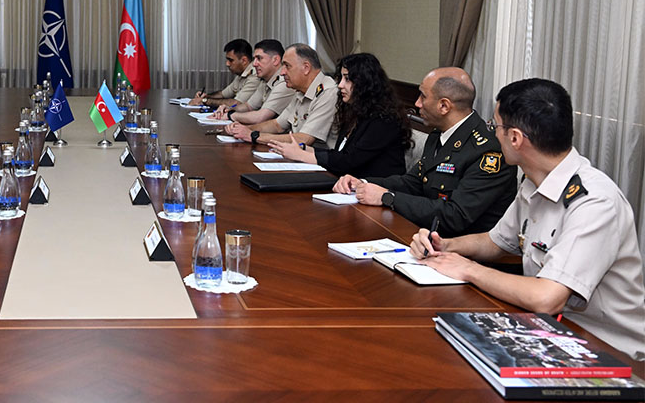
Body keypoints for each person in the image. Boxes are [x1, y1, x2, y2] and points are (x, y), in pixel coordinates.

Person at [409, 79, 645, 360]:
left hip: (609, 353)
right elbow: (496, 242)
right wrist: (446, 246)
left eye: (494, 126)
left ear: (515, 139)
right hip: (549, 334)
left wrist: (468, 269)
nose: (491, 133)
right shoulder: (534, 180)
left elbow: (546, 298)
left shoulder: (595, 202)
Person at [334, 67, 517, 237]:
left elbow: (455, 215)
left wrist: (387, 197)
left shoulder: (488, 151)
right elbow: (412, 182)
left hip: (464, 253)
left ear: (444, 106)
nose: (417, 103)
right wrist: (362, 183)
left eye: (422, 96)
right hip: (426, 235)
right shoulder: (439, 134)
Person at [268, 52, 409, 178]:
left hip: (374, 190)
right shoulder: (355, 111)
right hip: (349, 183)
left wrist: (302, 155)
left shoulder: (383, 119)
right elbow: (340, 154)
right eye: (340, 78)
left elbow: (350, 161)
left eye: (347, 79)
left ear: (364, 82)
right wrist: (304, 149)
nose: (340, 85)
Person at [224, 43, 337, 147]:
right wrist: (244, 129)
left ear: (306, 68)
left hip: (321, 165)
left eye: (287, 66)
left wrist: (254, 136)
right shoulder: (301, 91)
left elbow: (304, 139)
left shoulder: (327, 92)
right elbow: (277, 125)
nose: (282, 72)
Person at [212, 39, 292, 124]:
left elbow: (260, 117)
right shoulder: (265, 80)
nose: (254, 64)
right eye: (254, 59)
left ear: (275, 60)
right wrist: (229, 108)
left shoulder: (284, 82)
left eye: (259, 58)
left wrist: (230, 115)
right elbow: (248, 106)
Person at [189, 39, 259, 106]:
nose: (227, 64)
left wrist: (205, 101)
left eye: (230, 60)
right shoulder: (241, 73)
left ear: (244, 60)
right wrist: (206, 96)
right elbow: (223, 94)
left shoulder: (255, 76)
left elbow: (236, 103)